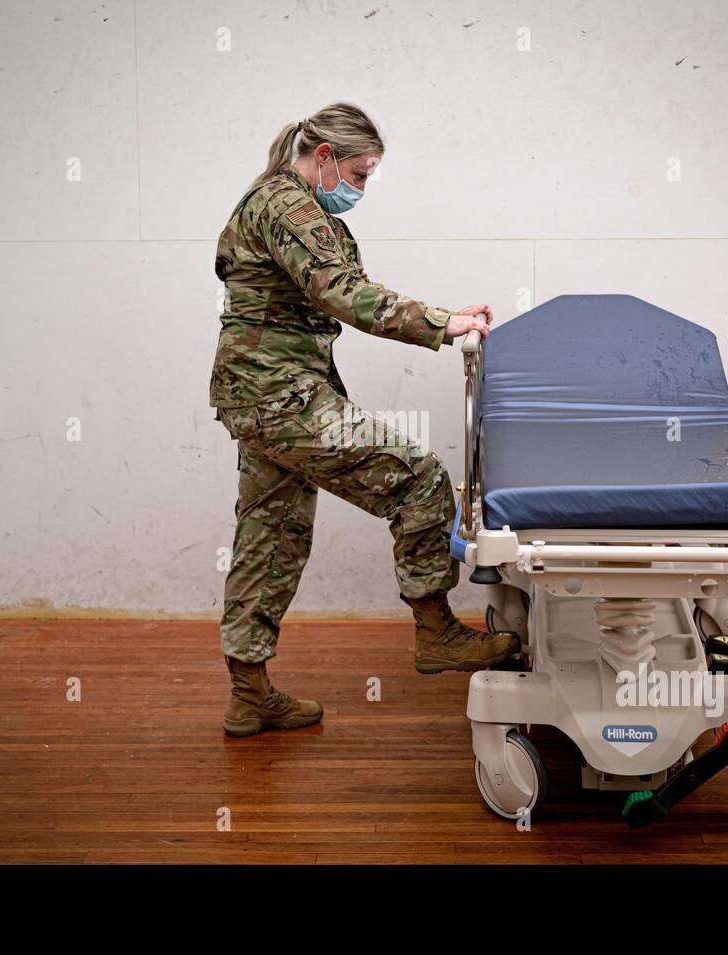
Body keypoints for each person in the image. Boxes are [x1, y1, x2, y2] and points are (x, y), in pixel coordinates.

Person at [211, 102, 520, 737]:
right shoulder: (288, 205)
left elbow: (345, 286)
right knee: (420, 480)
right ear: (322, 157)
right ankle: (435, 633)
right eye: (359, 172)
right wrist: (442, 323)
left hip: (264, 394)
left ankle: (249, 693)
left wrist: (441, 316)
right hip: (279, 397)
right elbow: (342, 294)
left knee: (270, 536)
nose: (361, 186)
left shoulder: (287, 204)